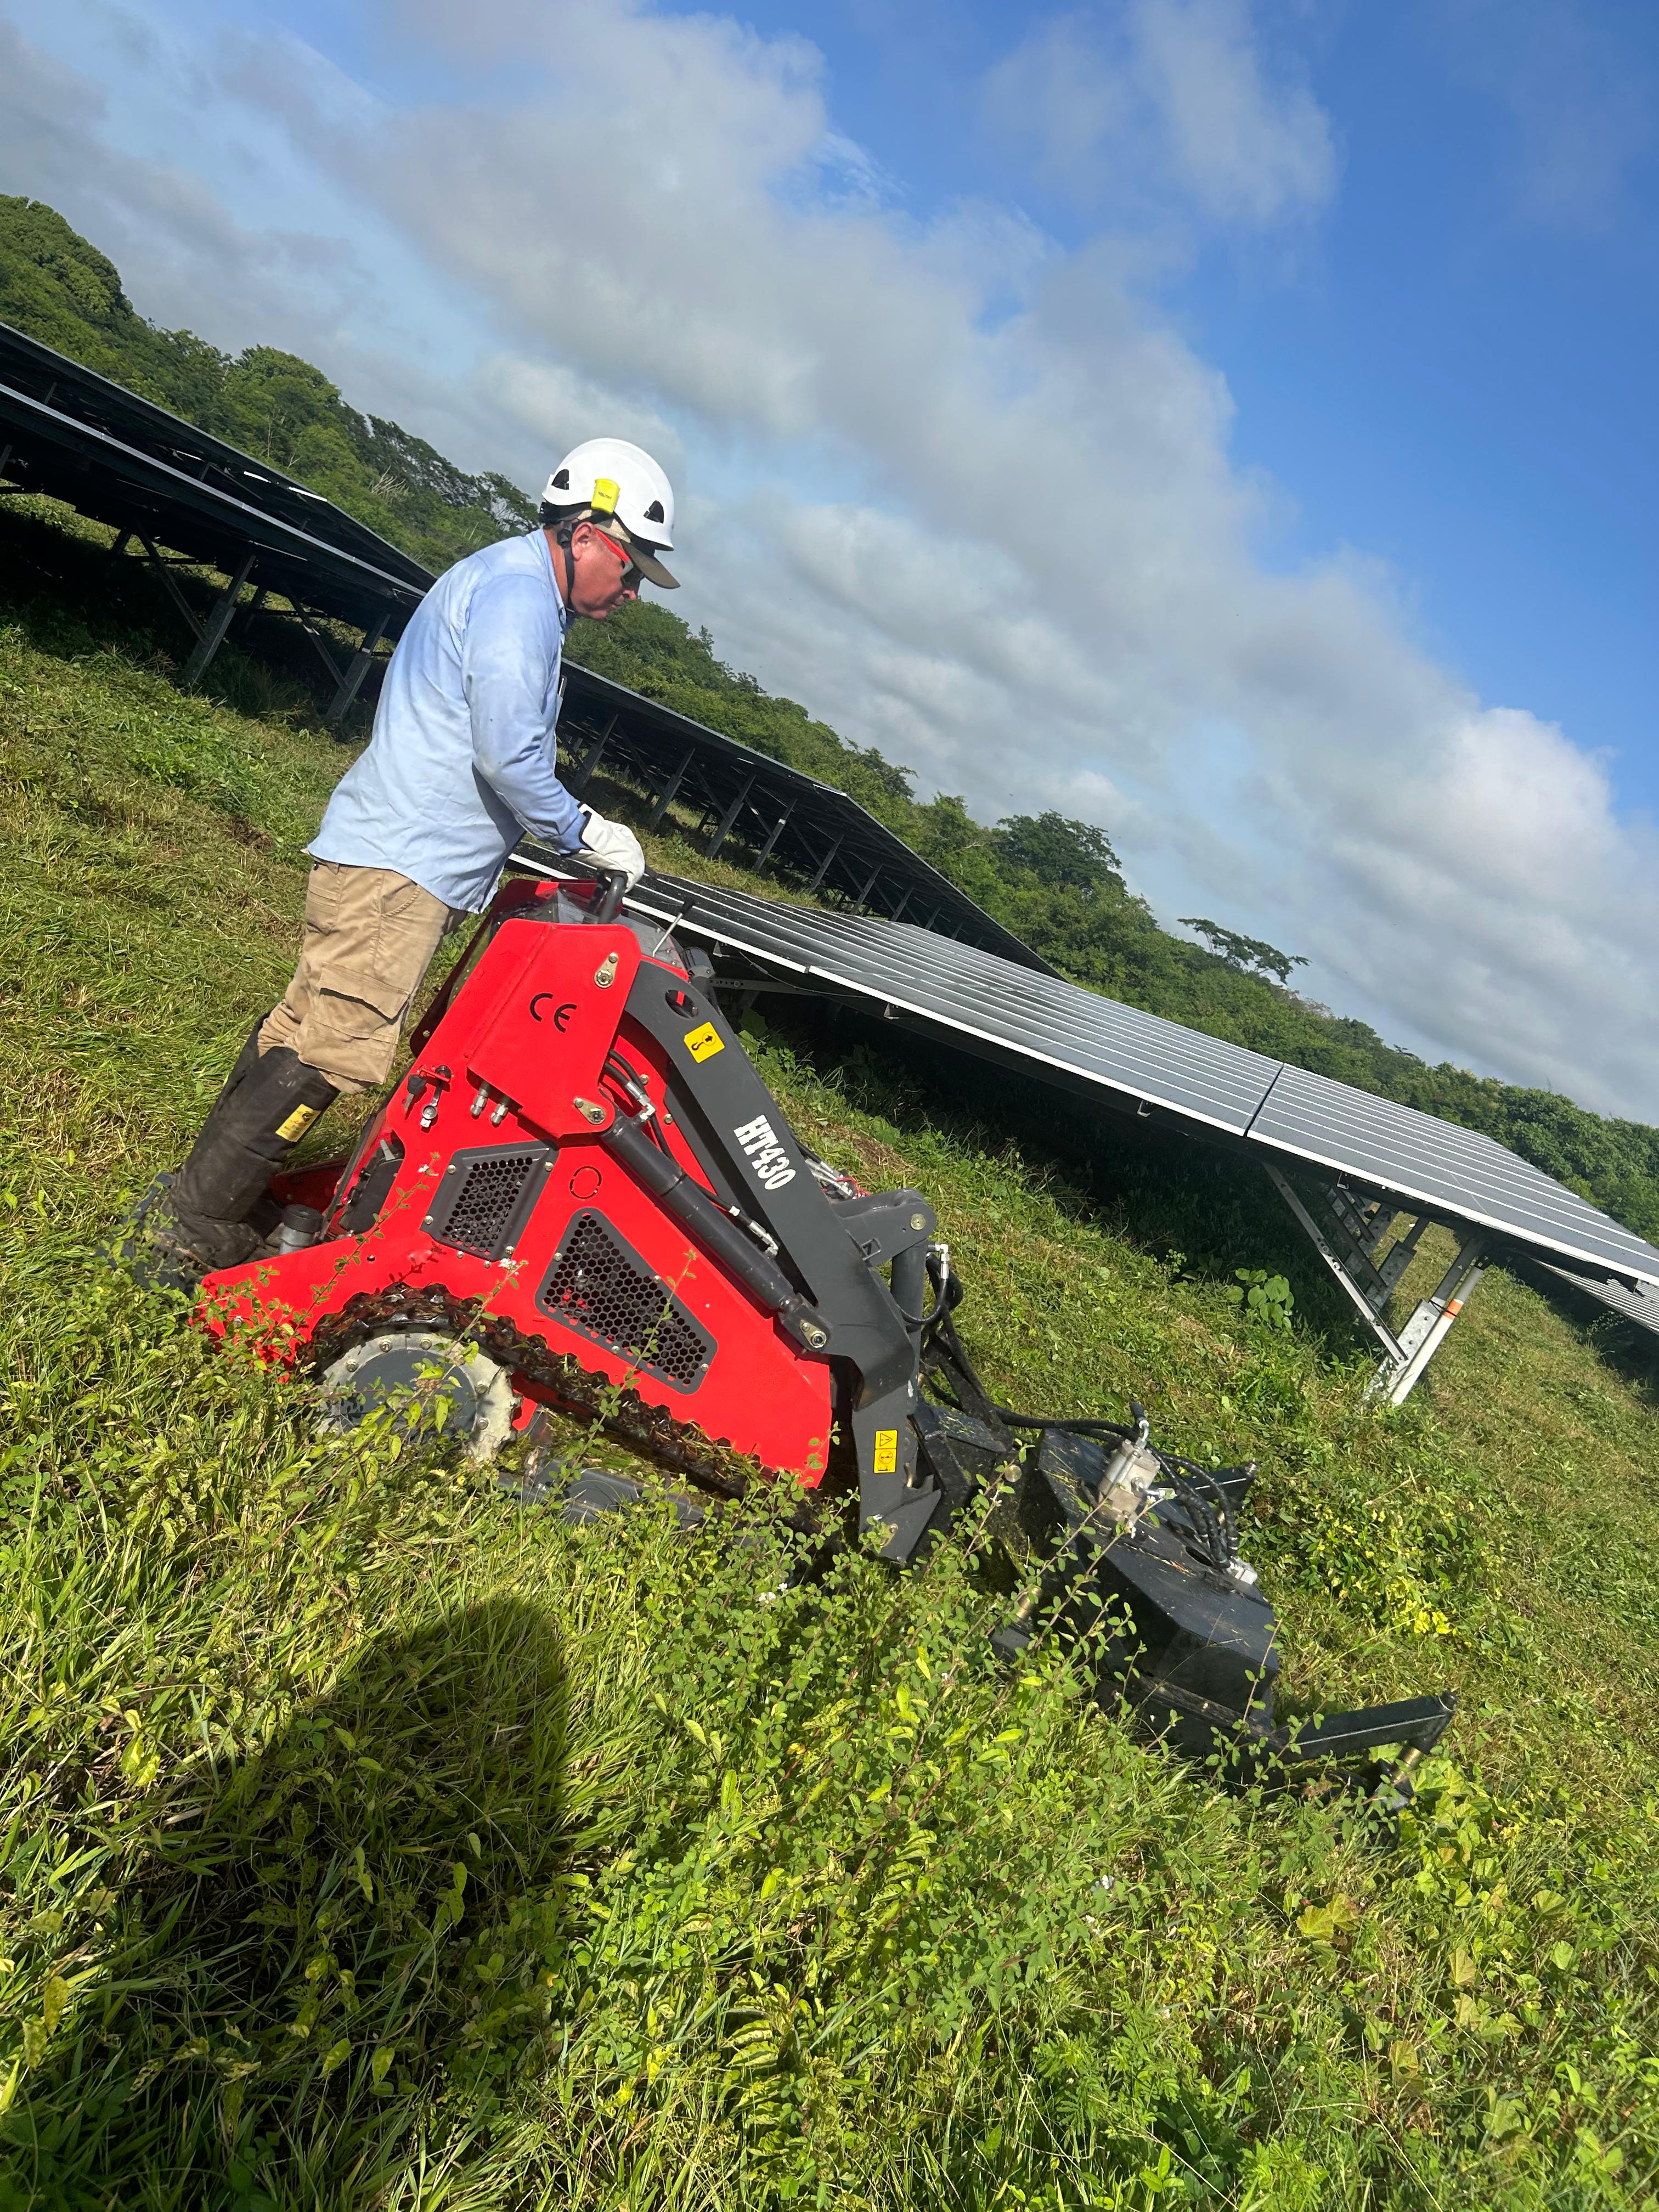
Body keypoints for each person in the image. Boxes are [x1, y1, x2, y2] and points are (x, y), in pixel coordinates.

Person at [132, 437, 676, 1288]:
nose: (634, 591)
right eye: (633, 567)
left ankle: (203, 1204)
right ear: (589, 531)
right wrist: (584, 831)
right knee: (334, 1051)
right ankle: (191, 1228)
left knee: (299, 1027)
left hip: (383, 853)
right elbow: (507, 753)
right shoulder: (518, 600)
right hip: (404, 871)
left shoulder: (504, 580)